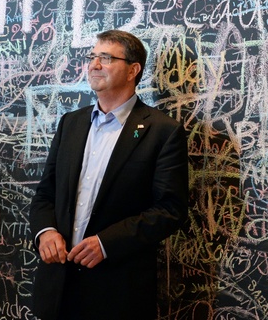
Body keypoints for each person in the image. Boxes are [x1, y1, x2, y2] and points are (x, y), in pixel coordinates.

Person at [29, 29, 189, 320]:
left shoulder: (163, 131)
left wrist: (106, 243)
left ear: (133, 70)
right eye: (92, 57)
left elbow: (170, 209)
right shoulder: (71, 124)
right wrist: (45, 231)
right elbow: (45, 193)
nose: (94, 65)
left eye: (106, 58)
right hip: (57, 289)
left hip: (115, 293)